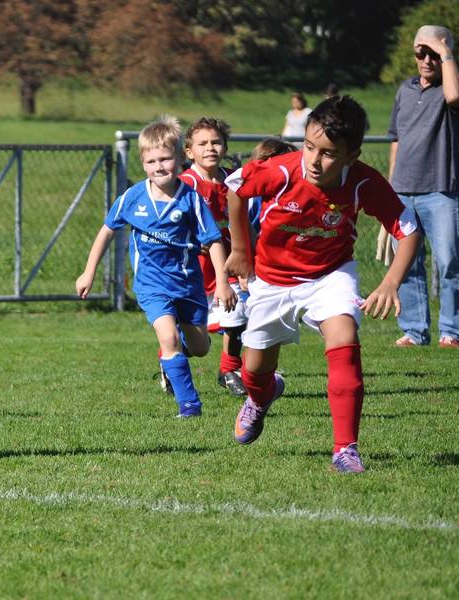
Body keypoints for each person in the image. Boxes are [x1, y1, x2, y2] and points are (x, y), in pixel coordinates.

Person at [224, 96, 421, 473]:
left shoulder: (364, 181)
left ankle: (345, 449)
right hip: (272, 279)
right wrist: (240, 249)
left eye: (328, 153)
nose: (314, 160)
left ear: (352, 155)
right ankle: (260, 397)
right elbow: (235, 187)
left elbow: (408, 229)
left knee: (345, 340)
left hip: (330, 275)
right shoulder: (281, 171)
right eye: (309, 147)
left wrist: (391, 281)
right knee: (254, 371)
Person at [76, 116, 235, 418]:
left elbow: (214, 241)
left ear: (179, 159)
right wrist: (89, 271)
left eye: (165, 159)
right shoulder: (133, 197)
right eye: (152, 161)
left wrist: (224, 282)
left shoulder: (191, 198)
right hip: (152, 285)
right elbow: (107, 231)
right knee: (168, 338)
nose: (159, 166)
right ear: (143, 163)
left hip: (188, 284)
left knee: (200, 347)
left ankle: (173, 360)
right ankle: (189, 405)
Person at [388, 24, 459, 350]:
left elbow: (455, 96)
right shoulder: (404, 90)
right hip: (401, 191)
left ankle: (452, 332)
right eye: (421, 52)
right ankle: (414, 331)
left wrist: (445, 50)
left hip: (440, 191)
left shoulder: (453, 84)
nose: (427, 59)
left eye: (433, 53)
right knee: (407, 265)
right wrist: (388, 189)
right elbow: (395, 139)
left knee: (448, 262)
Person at [179, 117, 248, 397]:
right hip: (195, 268)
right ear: (188, 151)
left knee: (239, 315)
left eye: (216, 142)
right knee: (196, 340)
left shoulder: (234, 179)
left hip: (229, 262)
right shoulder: (184, 183)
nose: (210, 148)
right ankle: (172, 355)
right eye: (202, 143)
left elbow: (244, 221)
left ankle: (229, 370)